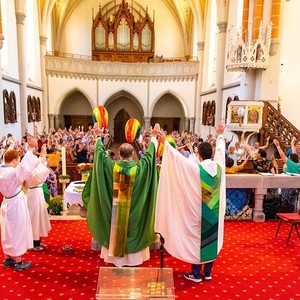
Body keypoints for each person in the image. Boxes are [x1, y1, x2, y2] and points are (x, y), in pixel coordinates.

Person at [155, 124, 226, 283]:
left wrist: (165, 142)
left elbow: (177, 159)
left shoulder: (196, 170)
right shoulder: (220, 168)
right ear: (211, 154)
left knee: (197, 239)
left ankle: (195, 274)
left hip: (199, 214)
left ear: (199, 155)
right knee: (211, 239)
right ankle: (207, 273)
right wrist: (220, 135)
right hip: (213, 213)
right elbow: (221, 152)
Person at [82, 123, 159, 267]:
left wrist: (98, 136)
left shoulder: (111, 167)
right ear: (133, 155)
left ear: (119, 154)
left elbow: (99, 155)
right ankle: (133, 261)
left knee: (115, 227)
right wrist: (153, 137)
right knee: (133, 227)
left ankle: (117, 262)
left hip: (115, 213)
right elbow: (149, 157)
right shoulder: (140, 168)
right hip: (134, 215)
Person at [0, 136, 49, 271]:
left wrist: (10, 146)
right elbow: (25, 166)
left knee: (7, 231)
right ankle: (19, 262)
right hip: (15, 205)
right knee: (17, 231)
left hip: (6, 203)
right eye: (17, 161)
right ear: (14, 161)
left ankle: (7, 258)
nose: (18, 163)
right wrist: (31, 148)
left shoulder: (2, 169)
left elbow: (10, 159)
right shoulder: (12, 172)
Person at [25, 144, 51, 251]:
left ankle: (38, 241)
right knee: (34, 219)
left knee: (39, 218)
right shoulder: (29, 171)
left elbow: (39, 166)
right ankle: (34, 243)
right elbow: (39, 173)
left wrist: (43, 156)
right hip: (34, 195)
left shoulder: (33, 167)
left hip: (38, 193)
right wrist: (43, 156)